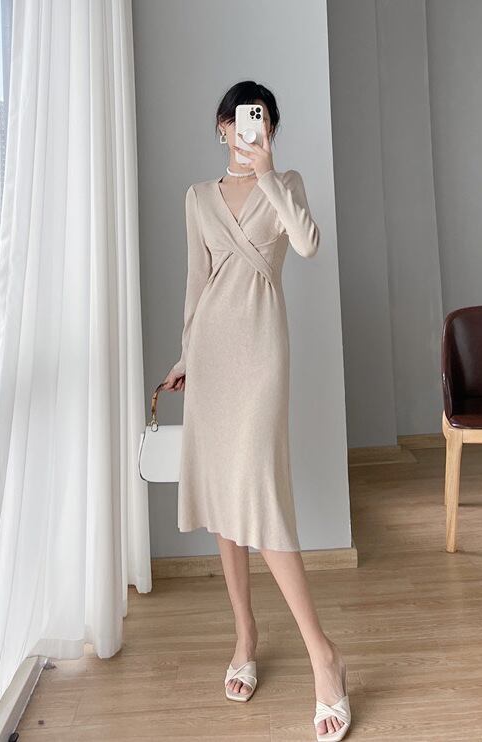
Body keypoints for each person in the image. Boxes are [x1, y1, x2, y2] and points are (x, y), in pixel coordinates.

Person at [162, 80, 351, 742]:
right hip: (211, 354)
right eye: (244, 120)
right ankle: (245, 634)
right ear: (223, 126)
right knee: (223, 498)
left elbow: (308, 244)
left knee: (260, 495)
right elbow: (197, 282)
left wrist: (268, 173)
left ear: (268, 130)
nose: (251, 128)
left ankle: (323, 656)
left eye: (263, 121)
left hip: (262, 350)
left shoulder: (286, 183)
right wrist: (185, 355)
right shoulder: (197, 198)